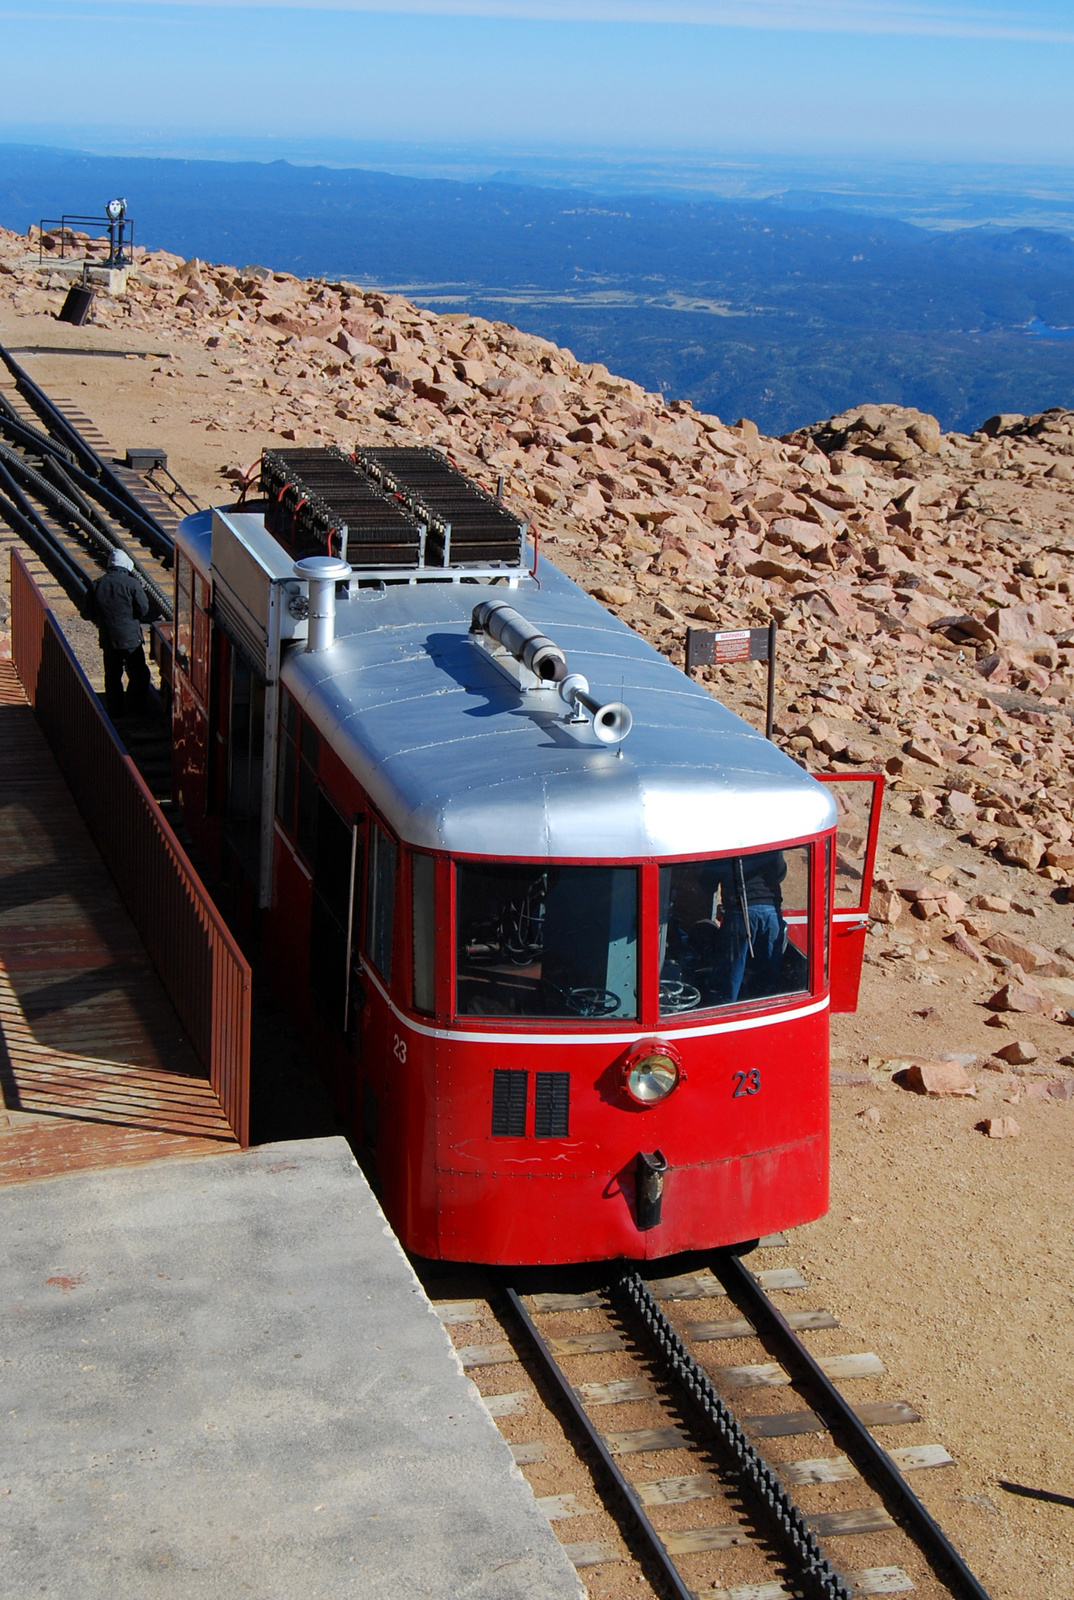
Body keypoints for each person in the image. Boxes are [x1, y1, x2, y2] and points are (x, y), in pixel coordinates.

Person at [93, 548, 151, 719]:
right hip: (131, 639)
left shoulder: (97, 584)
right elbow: (143, 609)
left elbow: (87, 611)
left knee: (112, 676)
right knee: (139, 674)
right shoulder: (132, 584)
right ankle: (135, 710)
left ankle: (115, 713)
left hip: (108, 639)